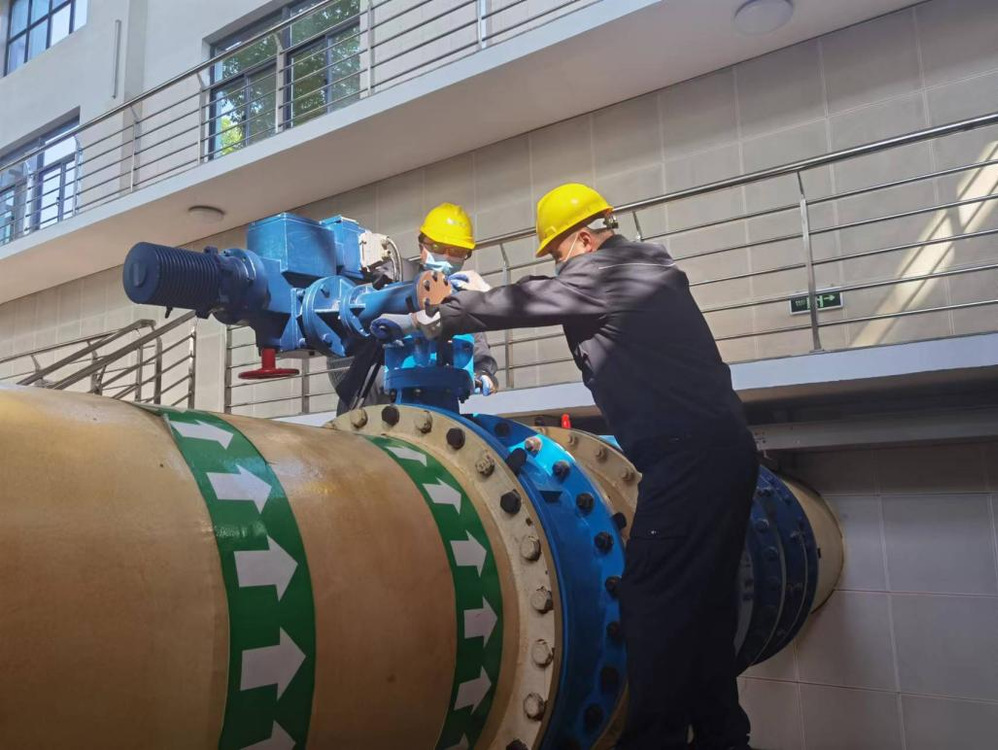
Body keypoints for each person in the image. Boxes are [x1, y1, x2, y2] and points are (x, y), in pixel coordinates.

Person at [392, 184, 758, 750]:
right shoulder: (644, 269)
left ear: (585, 239)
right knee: (705, 609)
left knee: (652, 603)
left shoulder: (607, 273)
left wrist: (446, 312)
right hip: (725, 453)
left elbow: (536, 300)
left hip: (686, 460)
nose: (561, 266)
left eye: (559, 253)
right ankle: (723, 737)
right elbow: (548, 292)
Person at [330, 202, 498, 414]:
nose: (446, 257)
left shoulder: (464, 295)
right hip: (371, 394)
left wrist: (484, 371)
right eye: (438, 248)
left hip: (437, 396)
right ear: (422, 247)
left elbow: (478, 345)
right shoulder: (396, 273)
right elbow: (361, 304)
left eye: (456, 251)